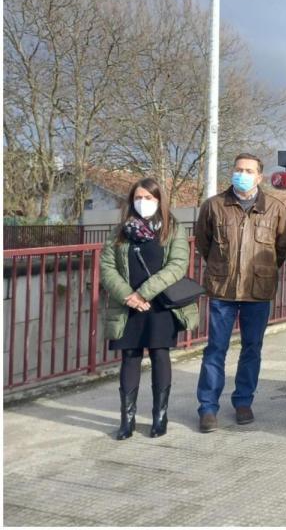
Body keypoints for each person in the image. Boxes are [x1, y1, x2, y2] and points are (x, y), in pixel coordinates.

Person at [193, 153, 286, 433]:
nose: (243, 174)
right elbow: (204, 243)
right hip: (223, 290)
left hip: (257, 292)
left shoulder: (275, 208)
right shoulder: (214, 206)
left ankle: (243, 401)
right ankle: (208, 407)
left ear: (259, 176)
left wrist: (263, 270)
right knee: (215, 349)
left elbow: (281, 249)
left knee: (252, 349)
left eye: (249, 171)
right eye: (238, 169)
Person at [100, 178, 199, 439]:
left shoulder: (172, 229)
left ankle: (159, 417)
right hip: (127, 307)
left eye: (149, 198)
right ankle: (127, 419)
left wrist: (144, 293)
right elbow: (107, 268)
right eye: (138, 197)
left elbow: (177, 265)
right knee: (129, 358)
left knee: (159, 355)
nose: (143, 202)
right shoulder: (120, 231)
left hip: (159, 305)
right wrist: (128, 296)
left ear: (159, 200)